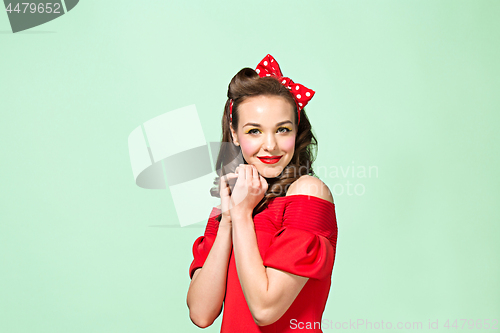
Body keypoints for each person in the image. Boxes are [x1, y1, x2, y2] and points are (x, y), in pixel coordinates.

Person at [186, 54, 338, 332]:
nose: (270, 145)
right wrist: (229, 219)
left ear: (296, 131)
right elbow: (201, 313)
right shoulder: (231, 205)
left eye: (282, 129)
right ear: (234, 133)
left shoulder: (308, 193)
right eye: (254, 131)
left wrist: (242, 214)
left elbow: (265, 309)